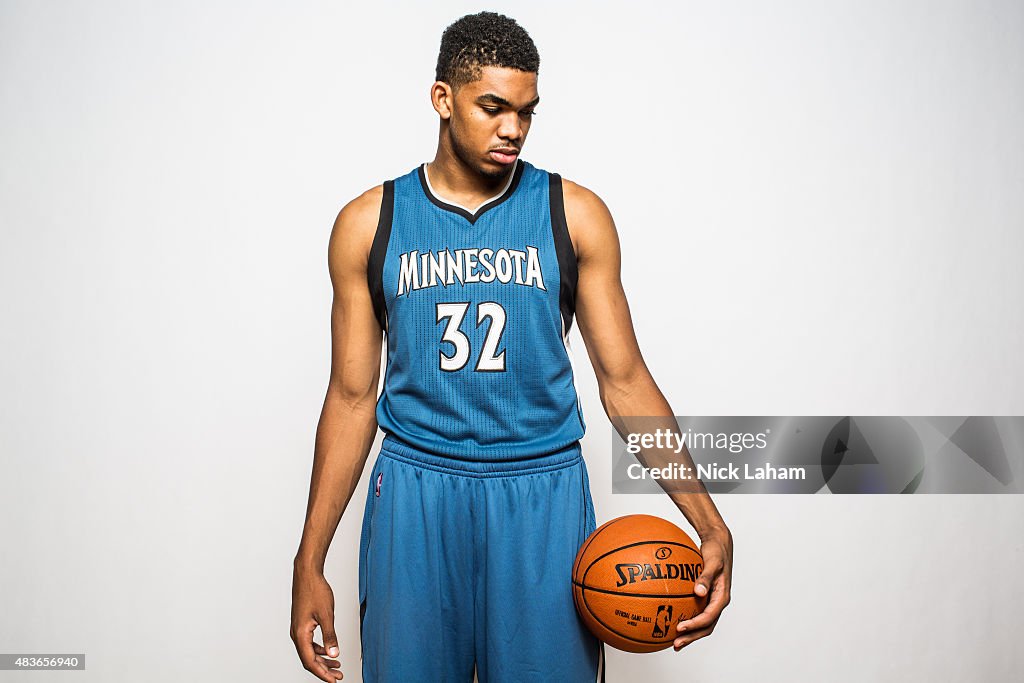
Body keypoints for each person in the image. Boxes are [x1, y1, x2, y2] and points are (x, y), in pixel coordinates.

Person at [290, 11, 733, 682]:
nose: (513, 129)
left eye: (526, 112)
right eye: (493, 107)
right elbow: (352, 398)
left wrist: (709, 521)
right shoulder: (368, 223)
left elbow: (625, 381)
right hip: (415, 490)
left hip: (541, 493)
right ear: (443, 99)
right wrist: (309, 559)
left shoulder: (574, 213)